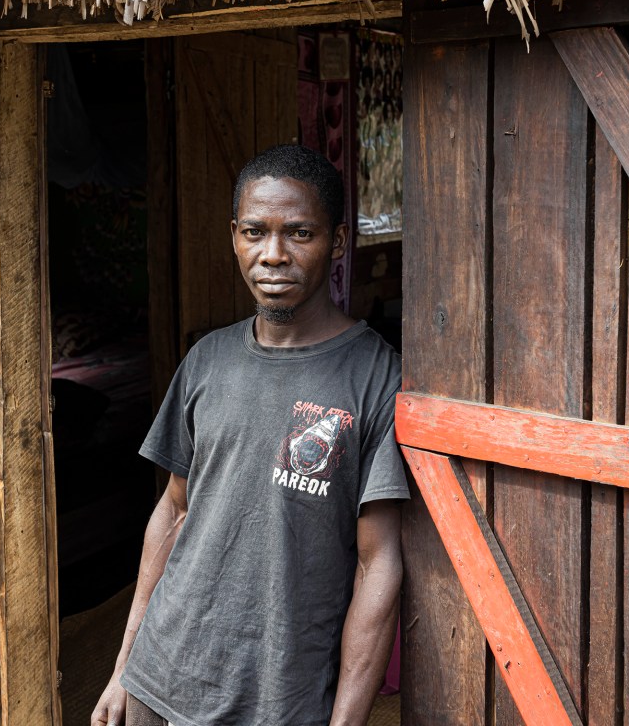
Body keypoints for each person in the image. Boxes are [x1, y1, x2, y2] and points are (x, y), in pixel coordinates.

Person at [91, 145, 407, 726]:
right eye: (256, 232)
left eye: (300, 233)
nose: (274, 255)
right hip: (158, 682)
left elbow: (378, 565)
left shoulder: (375, 376)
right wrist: (122, 668)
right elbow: (173, 512)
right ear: (235, 235)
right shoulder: (207, 361)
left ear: (337, 242)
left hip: (278, 702)